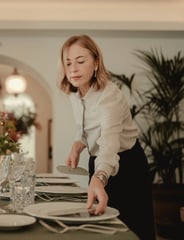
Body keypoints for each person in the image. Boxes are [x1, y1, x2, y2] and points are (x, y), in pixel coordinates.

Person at [57, 34, 156, 240]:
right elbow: (82, 127)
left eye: (81, 61)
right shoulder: (74, 94)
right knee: (102, 228)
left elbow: (109, 143)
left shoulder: (110, 96)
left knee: (132, 229)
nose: (73, 68)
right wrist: (78, 145)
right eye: (68, 63)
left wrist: (99, 178)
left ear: (96, 63)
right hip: (98, 162)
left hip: (127, 165)